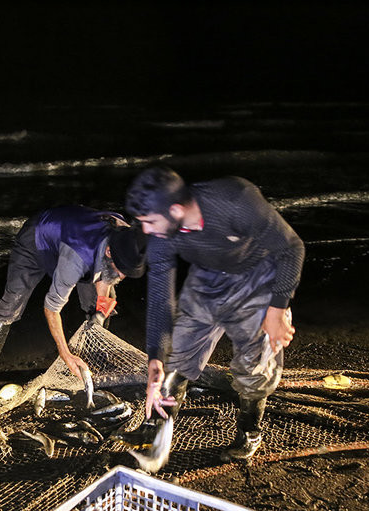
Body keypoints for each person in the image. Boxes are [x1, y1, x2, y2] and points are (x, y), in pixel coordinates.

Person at [126, 165, 304, 458]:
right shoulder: (161, 235)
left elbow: (292, 248)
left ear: (176, 209)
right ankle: (156, 433)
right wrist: (155, 355)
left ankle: (249, 433)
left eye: (149, 221)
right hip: (207, 277)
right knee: (175, 355)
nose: (146, 230)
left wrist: (277, 309)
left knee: (255, 366)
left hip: (256, 277)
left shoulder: (236, 199)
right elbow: (160, 294)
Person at [0, 205, 147, 388]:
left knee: (102, 303)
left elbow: (106, 275)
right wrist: (65, 353)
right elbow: (51, 307)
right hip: (35, 242)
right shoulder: (76, 259)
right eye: (120, 270)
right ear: (109, 252)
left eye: (127, 272)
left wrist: (100, 308)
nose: (122, 277)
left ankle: (93, 363)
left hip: (75, 239)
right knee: (12, 303)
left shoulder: (128, 237)